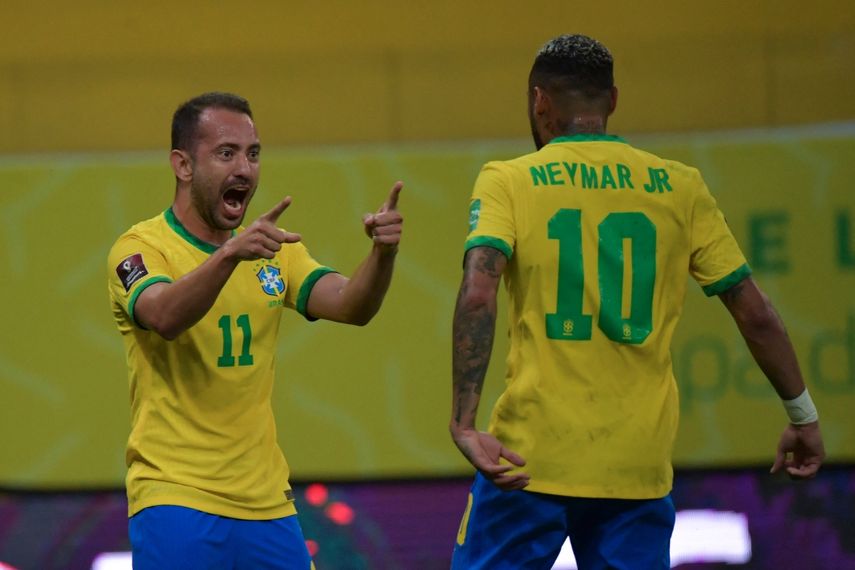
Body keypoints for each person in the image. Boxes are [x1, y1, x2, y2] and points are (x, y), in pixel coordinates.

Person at [449, 34, 825, 569]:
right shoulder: (680, 186)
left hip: (526, 460)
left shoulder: (509, 180)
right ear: (614, 100)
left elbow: (479, 293)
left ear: (539, 101)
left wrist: (464, 422)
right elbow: (754, 312)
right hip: (636, 468)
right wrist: (803, 417)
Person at [107, 92, 403, 569]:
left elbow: (353, 305)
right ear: (183, 165)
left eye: (253, 153)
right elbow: (162, 316)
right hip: (176, 497)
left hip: (267, 504)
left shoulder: (273, 251)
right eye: (226, 153)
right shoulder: (140, 248)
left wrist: (383, 254)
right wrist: (228, 256)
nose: (244, 168)